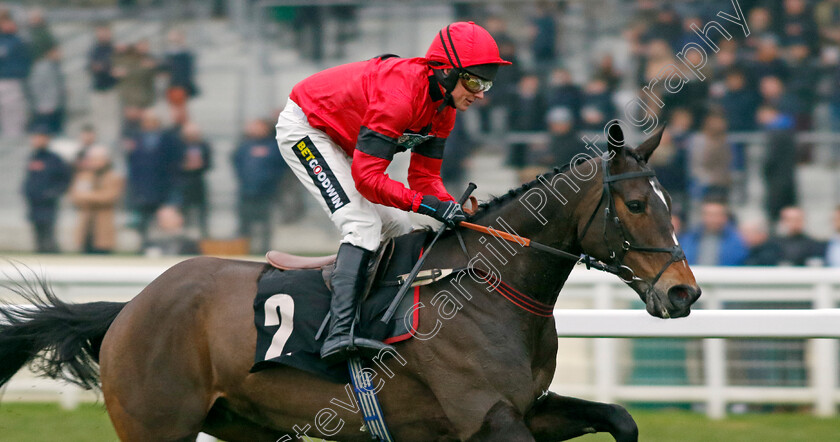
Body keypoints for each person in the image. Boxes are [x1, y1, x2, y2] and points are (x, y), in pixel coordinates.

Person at [274, 21, 510, 362]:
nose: (481, 93)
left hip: (342, 139)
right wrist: (426, 205)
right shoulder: (400, 96)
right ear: (445, 72)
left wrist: (448, 206)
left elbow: (424, 179)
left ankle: (375, 323)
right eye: (473, 80)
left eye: (486, 82)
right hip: (306, 129)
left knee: (400, 228)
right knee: (362, 224)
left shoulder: (444, 110)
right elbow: (367, 179)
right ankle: (338, 333)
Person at [233, 119, 284, 253]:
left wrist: (271, 180)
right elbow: (236, 162)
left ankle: (264, 251)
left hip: (267, 192)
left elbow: (281, 166)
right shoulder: (245, 146)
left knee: (265, 224)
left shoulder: (274, 146)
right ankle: (244, 250)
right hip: (247, 192)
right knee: (245, 224)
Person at [22, 127, 71, 253]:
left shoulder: (55, 159)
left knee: (48, 228)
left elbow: (64, 179)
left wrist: (53, 193)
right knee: (37, 228)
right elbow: (30, 178)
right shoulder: (33, 157)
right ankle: (40, 251)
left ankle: (50, 251)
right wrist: (27, 191)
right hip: (34, 201)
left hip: (48, 202)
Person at [69, 146, 124, 254]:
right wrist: (96, 197)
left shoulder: (113, 177)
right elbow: (75, 196)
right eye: (92, 159)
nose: (95, 162)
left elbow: (110, 197)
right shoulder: (83, 176)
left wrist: (87, 196)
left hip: (104, 224)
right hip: (86, 223)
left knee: (103, 253)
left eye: (98, 159)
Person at [679, 199, 748, 266]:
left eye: (717, 215)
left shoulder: (738, 241)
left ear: (725, 217)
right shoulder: (688, 239)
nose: (713, 219)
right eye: (709, 214)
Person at [177, 122, 212, 239]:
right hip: (183, 182)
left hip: (198, 181)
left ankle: (204, 236)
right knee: (184, 211)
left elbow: (208, 163)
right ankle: (183, 236)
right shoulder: (180, 146)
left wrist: (200, 165)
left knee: (201, 211)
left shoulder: (203, 146)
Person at [87, 24, 120, 147]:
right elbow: (92, 66)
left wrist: (103, 68)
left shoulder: (113, 48)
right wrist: (105, 68)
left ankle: (112, 142)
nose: (102, 35)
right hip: (97, 88)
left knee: (112, 118)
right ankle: (99, 142)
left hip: (111, 87)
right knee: (98, 117)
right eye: (100, 32)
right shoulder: (94, 49)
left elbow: (114, 67)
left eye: (105, 32)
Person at [0, 16, 31, 138]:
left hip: (13, 80)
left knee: (14, 111)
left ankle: (14, 136)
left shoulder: (19, 41)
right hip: (1, 79)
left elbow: (26, 61)